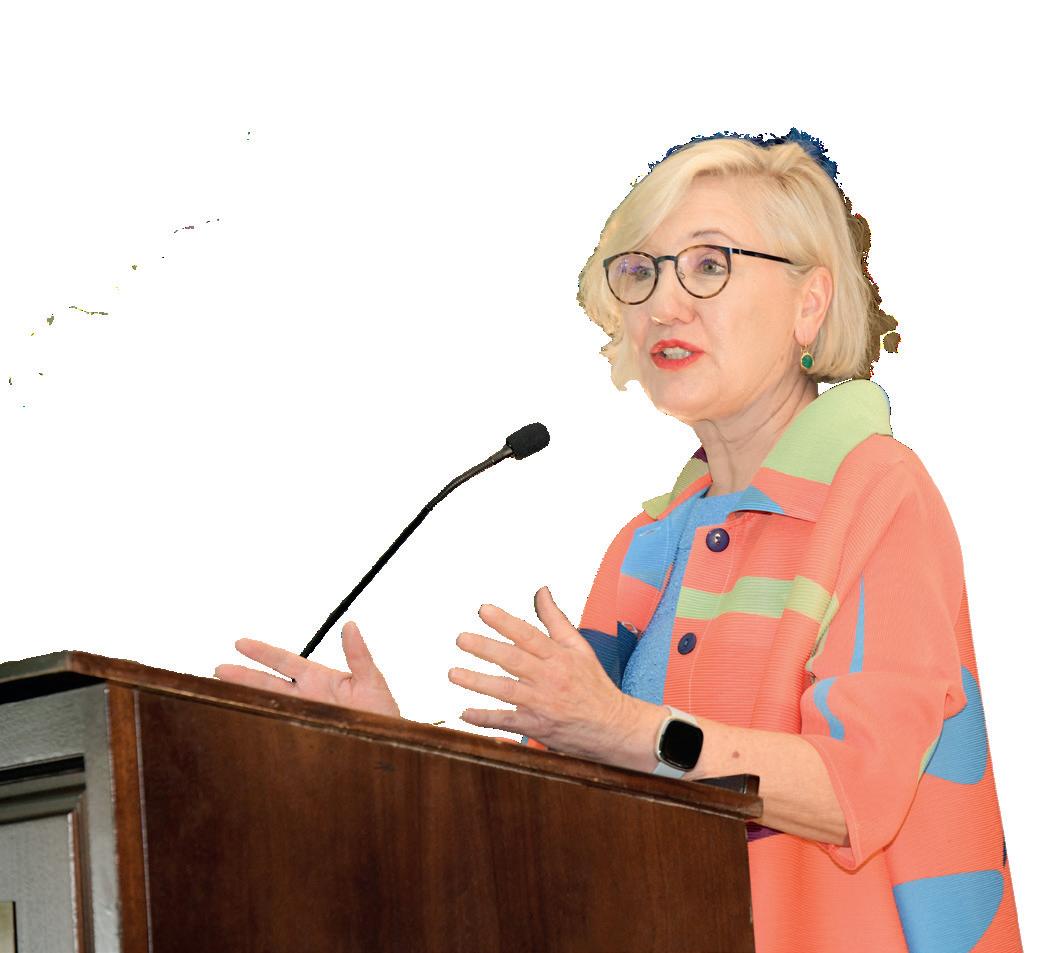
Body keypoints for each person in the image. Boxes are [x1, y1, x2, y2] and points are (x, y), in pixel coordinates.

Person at [216, 129, 1023, 952]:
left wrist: (624, 727)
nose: (663, 306)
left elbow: (854, 790)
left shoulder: (878, 492)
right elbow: (547, 820)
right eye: (640, 273)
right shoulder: (647, 544)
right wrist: (390, 750)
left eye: (709, 264)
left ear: (809, 303)